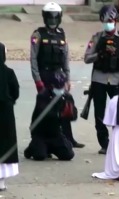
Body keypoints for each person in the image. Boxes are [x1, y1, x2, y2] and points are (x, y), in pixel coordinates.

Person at [30, 1, 84, 148]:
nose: (52, 20)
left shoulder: (62, 35)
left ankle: (68, 139)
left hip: (59, 76)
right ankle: (37, 137)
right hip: (44, 75)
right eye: (49, 17)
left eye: (55, 17)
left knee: (64, 106)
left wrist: (67, 78)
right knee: (43, 107)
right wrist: (37, 80)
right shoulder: (38, 35)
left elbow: (66, 58)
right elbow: (33, 59)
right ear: (44, 17)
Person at [84, 4, 119, 154]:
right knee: (99, 114)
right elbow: (86, 58)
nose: (108, 23)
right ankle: (104, 144)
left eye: (110, 20)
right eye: (105, 20)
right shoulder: (97, 38)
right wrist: (99, 54)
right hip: (99, 79)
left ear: (116, 20)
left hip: (118, 80)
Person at [24, 72, 77, 161]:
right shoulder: (42, 96)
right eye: (57, 86)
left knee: (68, 155)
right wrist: (60, 114)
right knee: (39, 156)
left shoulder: (67, 96)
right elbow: (44, 113)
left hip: (55, 133)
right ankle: (31, 148)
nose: (60, 89)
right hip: (40, 132)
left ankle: (52, 147)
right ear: (51, 85)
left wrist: (71, 114)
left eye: (61, 86)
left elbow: (73, 116)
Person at [0, 42, 20, 191]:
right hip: (5, 113)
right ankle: (1, 182)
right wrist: (10, 101)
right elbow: (15, 91)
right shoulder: (9, 72)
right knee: (5, 146)